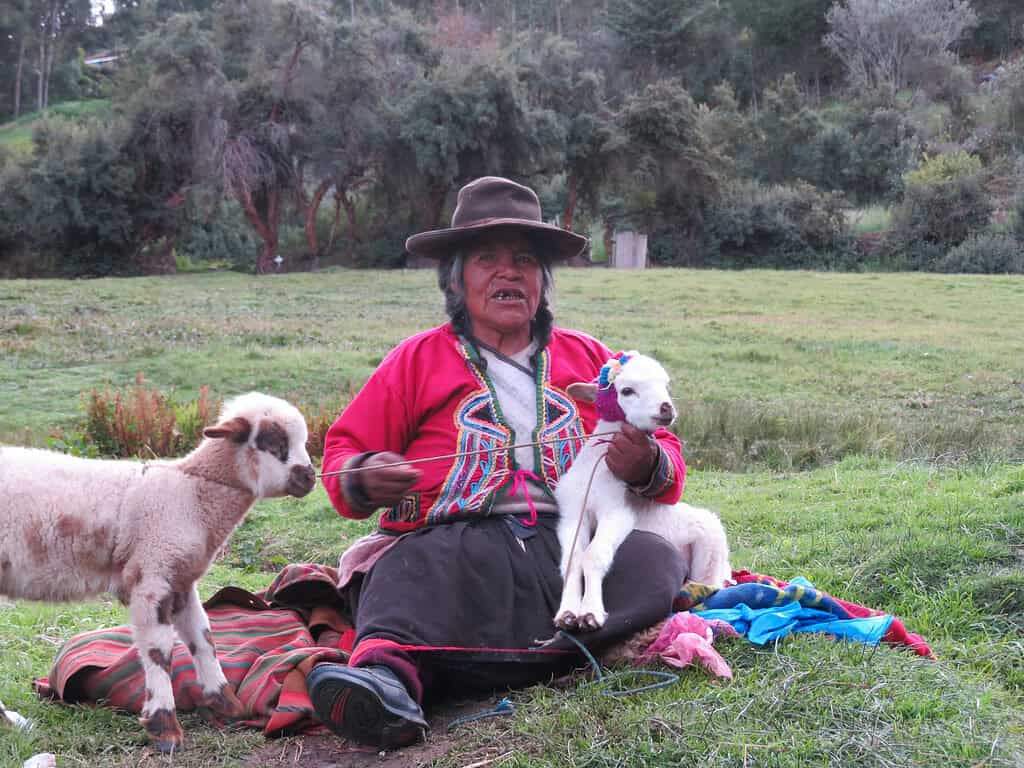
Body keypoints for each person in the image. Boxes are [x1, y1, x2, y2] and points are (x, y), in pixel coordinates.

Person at [310, 176, 689, 748]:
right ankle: (389, 682)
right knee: (406, 573)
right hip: (453, 546)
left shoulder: (596, 361)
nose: (508, 273)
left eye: (525, 261)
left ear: (543, 281)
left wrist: (645, 462)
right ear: (456, 279)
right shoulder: (415, 361)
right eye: (486, 258)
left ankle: (461, 663)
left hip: (562, 545)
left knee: (652, 561)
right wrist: (365, 474)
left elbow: (669, 460)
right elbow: (339, 459)